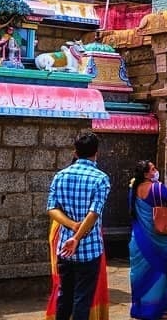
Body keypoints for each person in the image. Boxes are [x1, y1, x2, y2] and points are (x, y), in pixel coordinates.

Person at [47, 132, 111, 320]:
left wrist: (72, 226)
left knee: (64, 296)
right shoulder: (100, 178)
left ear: (75, 152)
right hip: (89, 249)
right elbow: (94, 212)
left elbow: (51, 208)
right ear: (96, 152)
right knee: (82, 299)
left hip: (64, 248)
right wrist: (78, 235)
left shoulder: (60, 176)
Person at [129, 160, 167, 320]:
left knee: (139, 273)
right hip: (158, 237)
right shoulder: (157, 187)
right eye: (153, 169)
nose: (156, 170)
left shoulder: (133, 189)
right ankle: (155, 310)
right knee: (160, 272)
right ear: (146, 174)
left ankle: (140, 308)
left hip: (138, 238)